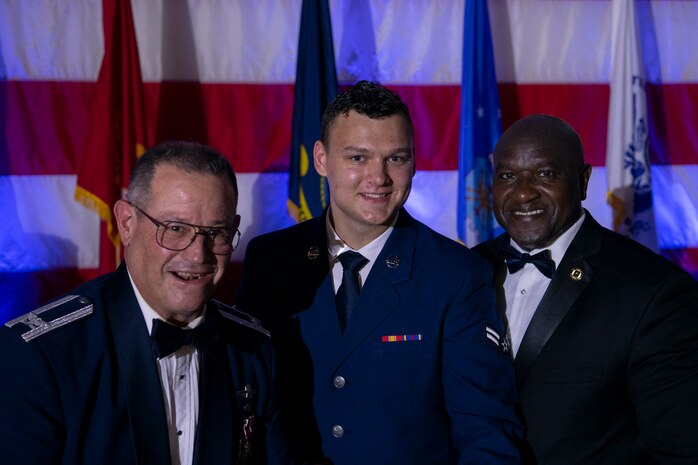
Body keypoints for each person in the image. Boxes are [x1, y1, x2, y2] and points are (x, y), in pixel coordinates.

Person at [236, 80, 523, 465]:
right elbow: (245, 403)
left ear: (414, 161)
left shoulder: (456, 275)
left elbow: (486, 434)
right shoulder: (271, 261)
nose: (379, 177)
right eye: (358, 158)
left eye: (396, 158)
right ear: (321, 159)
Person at [0, 141, 296, 465]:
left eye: (215, 233)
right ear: (126, 223)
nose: (198, 255)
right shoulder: (42, 356)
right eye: (175, 228)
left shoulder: (254, 350)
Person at [474, 114, 698, 465]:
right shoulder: (462, 272)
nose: (522, 191)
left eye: (545, 173)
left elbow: (680, 450)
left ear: (583, 180)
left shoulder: (655, 291)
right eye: (507, 176)